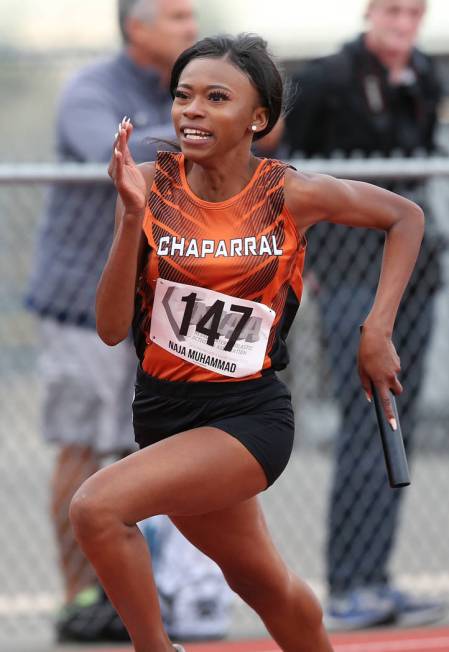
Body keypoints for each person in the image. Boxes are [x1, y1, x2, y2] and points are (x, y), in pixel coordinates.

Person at [66, 32, 426, 652]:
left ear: (257, 118)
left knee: (97, 508)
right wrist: (129, 217)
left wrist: (377, 327)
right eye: (182, 96)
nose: (192, 110)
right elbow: (107, 328)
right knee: (263, 583)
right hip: (163, 415)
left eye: (215, 97)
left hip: (247, 416)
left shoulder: (288, 193)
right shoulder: (150, 184)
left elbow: (405, 216)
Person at [25, 0, 230, 643]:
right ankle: (78, 596)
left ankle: (143, 597)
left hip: (161, 306)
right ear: (135, 27)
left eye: (191, 17)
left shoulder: (189, 90)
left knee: (149, 447)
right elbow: (117, 156)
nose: (189, 28)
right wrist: (202, 126)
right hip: (80, 302)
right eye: (174, 16)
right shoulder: (92, 88)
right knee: (84, 443)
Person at [284, 0, 445, 631]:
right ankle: (349, 580)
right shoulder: (328, 77)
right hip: (350, 271)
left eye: (414, 12)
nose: (402, 22)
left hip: (414, 272)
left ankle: (377, 576)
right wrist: (308, 260)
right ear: (371, 13)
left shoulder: (423, 77)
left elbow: (410, 171)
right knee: (364, 417)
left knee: (394, 418)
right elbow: (291, 168)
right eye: (392, 10)